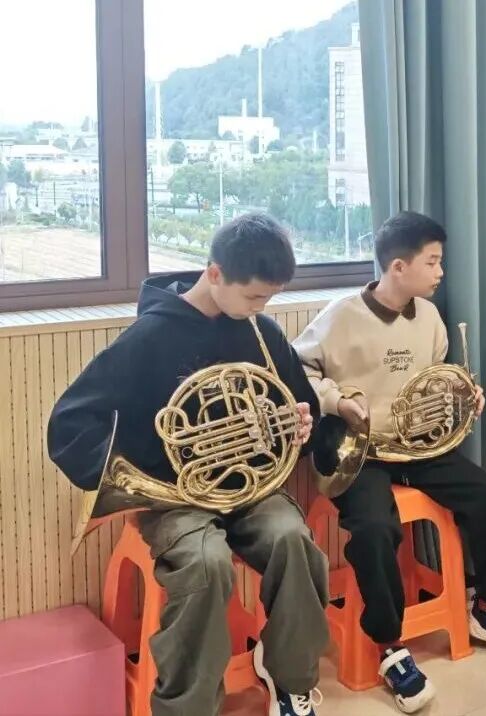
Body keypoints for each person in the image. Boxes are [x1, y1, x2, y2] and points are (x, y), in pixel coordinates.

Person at [47, 213, 329, 716]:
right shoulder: (149, 337)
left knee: (295, 542)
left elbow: (296, 404)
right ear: (215, 274)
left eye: (268, 298)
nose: (261, 308)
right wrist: (130, 475)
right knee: (205, 564)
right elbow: (69, 422)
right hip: (173, 497)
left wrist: (299, 428)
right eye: (254, 296)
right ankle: (187, 708)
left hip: (250, 490)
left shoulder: (260, 331)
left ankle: (290, 678)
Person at [295, 210, 486, 714]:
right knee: (374, 528)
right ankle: (389, 645)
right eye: (433, 262)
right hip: (362, 453)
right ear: (399, 267)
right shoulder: (340, 316)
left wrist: (463, 397)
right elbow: (298, 374)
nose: (441, 272)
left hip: (419, 445)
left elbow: (438, 379)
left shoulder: (429, 317)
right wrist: (338, 401)